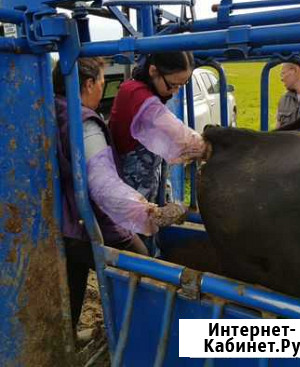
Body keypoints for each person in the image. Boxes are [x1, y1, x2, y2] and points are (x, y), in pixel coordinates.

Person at [53, 57, 186, 329]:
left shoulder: (49, 108)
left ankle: (66, 338)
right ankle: (147, 335)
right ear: (89, 83)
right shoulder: (85, 123)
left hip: (62, 221)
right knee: (144, 269)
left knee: (73, 280)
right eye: (102, 82)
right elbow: (104, 186)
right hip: (90, 223)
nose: (104, 89)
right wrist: (150, 214)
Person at [109, 51, 205, 205]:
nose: (176, 91)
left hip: (146, 188)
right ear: (153, 71)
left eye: (182, 85)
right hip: (129, 193)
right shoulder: (135, 94)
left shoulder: (148, 93)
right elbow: (177, 133)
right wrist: (206, 146)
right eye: (173, 85)